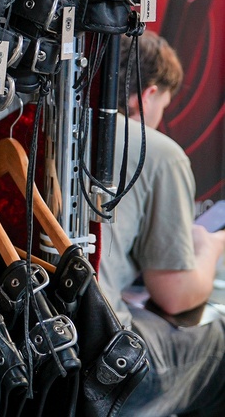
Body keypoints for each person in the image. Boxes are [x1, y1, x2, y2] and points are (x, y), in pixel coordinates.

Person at [98, 31, 225, 416]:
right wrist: (211, 246)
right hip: (103, 358)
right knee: (217, 341)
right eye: (163, 108)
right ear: (148, 95)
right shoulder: (156, 152)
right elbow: (176, 295)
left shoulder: (45, 128)